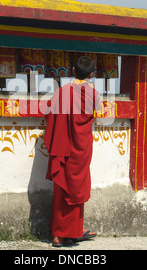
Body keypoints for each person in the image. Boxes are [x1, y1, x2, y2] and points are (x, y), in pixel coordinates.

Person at [44, 56, 100, 247]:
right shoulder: (93, 94)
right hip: (81, 147)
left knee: (62, 189)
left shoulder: (62, 92)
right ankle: (70, 232)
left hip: (64, 146)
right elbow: (97, 112)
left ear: (73, 71)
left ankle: (60, 234)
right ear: (92, 74)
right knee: (77, 188)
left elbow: (50, 114)